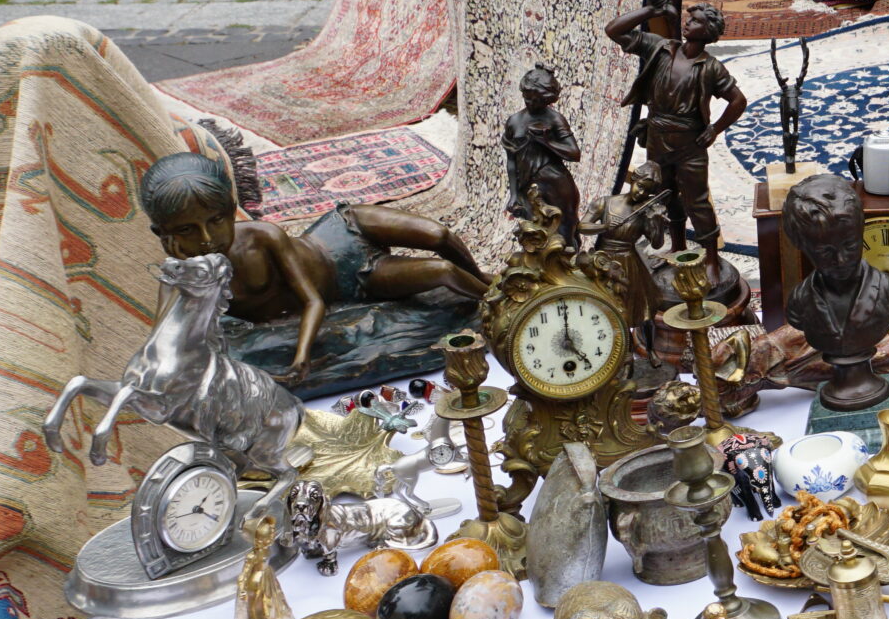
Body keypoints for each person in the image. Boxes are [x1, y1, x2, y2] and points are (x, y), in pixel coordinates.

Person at [140, 151, 485, 384]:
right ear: (163, 235)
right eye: (187, 230)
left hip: (343, 230)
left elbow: (312, 302)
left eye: (216, 221)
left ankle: (491, 289)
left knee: (439, 235)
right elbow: (165, 342)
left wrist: (301, 356)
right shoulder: (186, 276)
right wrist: (183, 273)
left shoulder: (263, 236)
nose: (206, 239)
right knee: (442, 272)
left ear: (231, 210)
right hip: (355, 280)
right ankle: (493, 295)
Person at [604, 0, 747, 252]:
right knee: (664, 195)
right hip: (657, 138)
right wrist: (651, 10)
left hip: (690, 144)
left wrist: (715, 129)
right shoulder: (660, 48)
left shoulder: (711, 67)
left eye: (696, 21)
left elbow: (738, 101)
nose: (688, 23)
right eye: (689, 18)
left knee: (697, 202)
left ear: (707, 31)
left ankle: (712, 258)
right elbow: (614, 30)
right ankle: (678, 247)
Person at [780, 173, 889, 409]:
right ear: (803, 247)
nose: (841, 260)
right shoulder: (799, 301)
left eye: (850, 246)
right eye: (825, 252)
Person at [503, 64, 582, 246]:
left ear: (547, 100)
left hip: (557, 184)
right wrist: (513, 194)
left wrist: (546, 142)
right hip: (527, 185)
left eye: (536, 100)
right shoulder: (514, 121)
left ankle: (569, 261)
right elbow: (511, 161)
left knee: (566, 230)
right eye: (527, 98)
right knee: (535, 232)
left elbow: (574, 154)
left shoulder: (555, 119)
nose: (530, 103)